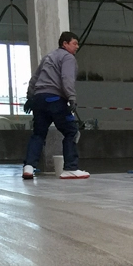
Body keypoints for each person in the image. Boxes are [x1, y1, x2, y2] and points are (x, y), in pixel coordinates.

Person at [22, 31, 90, 179]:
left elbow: (34, 79)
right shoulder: (68, 57)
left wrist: (30, 97)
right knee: (71, 131)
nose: (77, 46)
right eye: (74, 43)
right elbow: (67, 78)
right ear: (64, 44)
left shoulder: (48, 57)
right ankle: (70, 167)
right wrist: (72, 97)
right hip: (55, 100)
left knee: (38, 134)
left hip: (39, 100)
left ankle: (28, 167)